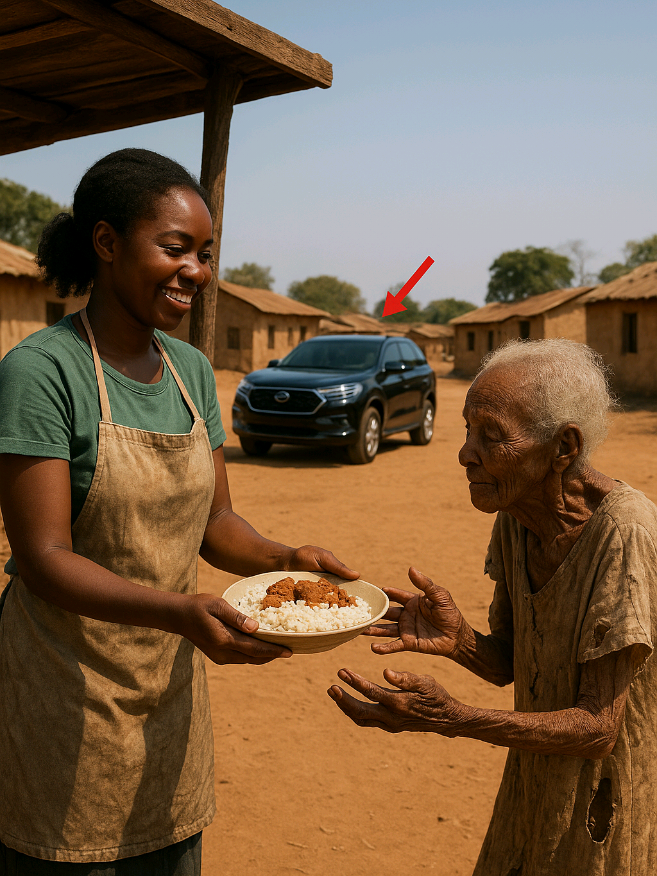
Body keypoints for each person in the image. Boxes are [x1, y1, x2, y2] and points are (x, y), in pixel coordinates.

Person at [0, 148, 357, 874]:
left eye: (205, 253)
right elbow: (43, 559)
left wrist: (286, 559)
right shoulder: (42, 372)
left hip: (166, 694)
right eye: (174, 248)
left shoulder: (190, 370)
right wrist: (181, 611)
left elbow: (216, 522)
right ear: (106, 243)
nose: (195, 270)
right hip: (64, 694)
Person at [328, 338, 657, 875]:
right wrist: (460, 641)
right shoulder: (516, 512)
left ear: (564, 448)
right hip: (532, 789)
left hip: (603, 803)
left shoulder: (624, 532)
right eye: (467, 429)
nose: (465, 453)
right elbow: (510, 663)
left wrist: (452, 718)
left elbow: (599, 728)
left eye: (492, 436)